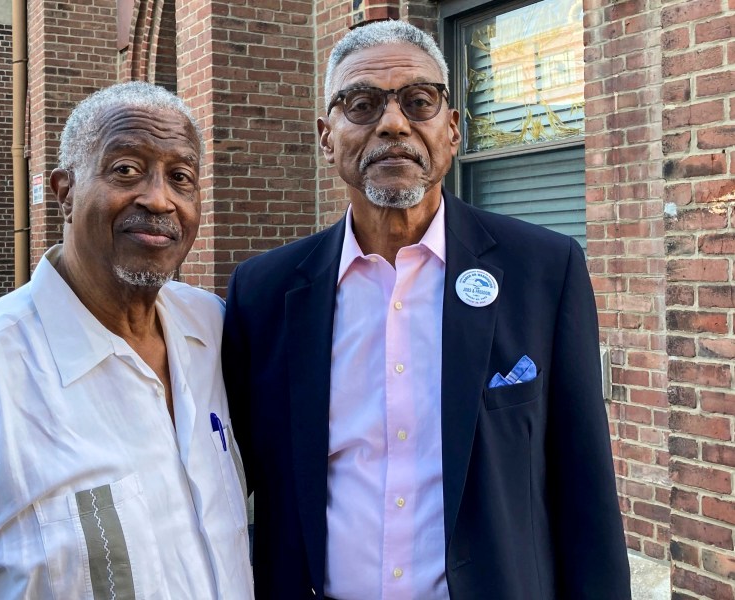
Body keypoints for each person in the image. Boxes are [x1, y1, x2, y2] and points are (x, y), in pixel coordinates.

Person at [223, 20, 630, 600]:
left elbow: (584, 486)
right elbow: (232, 485)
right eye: (361, 104)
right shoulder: (261, 294)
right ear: (325, 136)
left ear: (454, 129)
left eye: (419, 102)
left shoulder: (544, 270)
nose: (393, 124)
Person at [0, 81, 252, 599]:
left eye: (181, 177)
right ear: (65, 192)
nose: (158, 198)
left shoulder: (210, 331)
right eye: (125, 169)